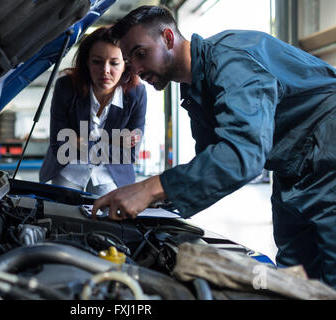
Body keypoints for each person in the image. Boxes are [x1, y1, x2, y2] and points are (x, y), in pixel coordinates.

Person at [92, 5, 336, 288]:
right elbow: (211, 162)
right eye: (129, 60)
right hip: (294, 168)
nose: (135, 68)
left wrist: (149, 188)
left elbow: (241, 154)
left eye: (140, 53)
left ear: (168, 38)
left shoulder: (231, 62)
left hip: (328, 153)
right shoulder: (197, 91)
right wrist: (153, 200)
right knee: (297, 276)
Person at [39, 27, 147, 195]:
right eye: (97, 61)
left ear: (126, 64)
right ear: (87, 63)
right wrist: (113, 142)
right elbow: (59, 144)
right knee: (61, 213)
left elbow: (130, 153)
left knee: (106, 219)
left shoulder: (137, 93)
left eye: (114, 63)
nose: (105, 70)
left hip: (110, 172)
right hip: (68, 168)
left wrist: (80, 140)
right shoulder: (66, 87)